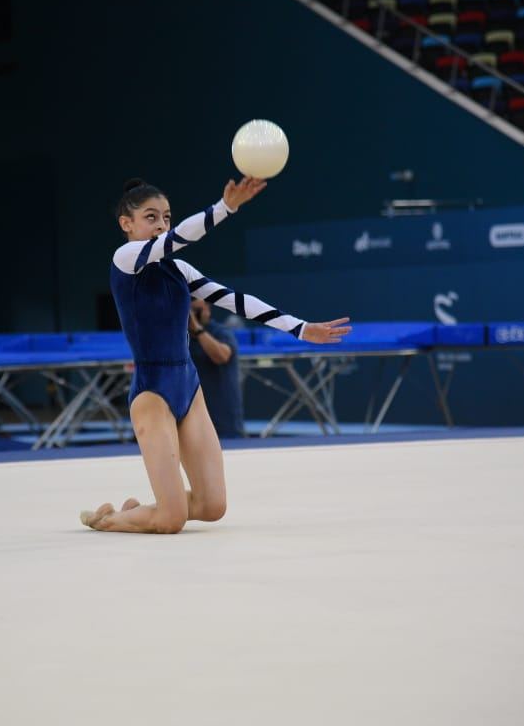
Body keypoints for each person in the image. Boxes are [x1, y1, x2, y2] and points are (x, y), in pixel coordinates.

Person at [80, 177, 351, 534]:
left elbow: (236, 301)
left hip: (189, 388)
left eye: (166, 216)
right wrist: (225, 208)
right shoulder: (125, 259)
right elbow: (177, 240)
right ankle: (111, 518)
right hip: (152, 393)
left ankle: (143, 509)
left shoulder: (179, 270)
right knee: (171, 520)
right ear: (126, 224)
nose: (161, 224)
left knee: (212, 507)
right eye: (151, 217)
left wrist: (301, 328)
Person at [188, 297, 243, 440]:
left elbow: (222, 356)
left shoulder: (220, 332)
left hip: (222, 417)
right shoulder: (179, 337)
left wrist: (198, 331)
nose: (192, 316)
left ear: (207, 309)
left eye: (196, 311)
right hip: (191, 417)